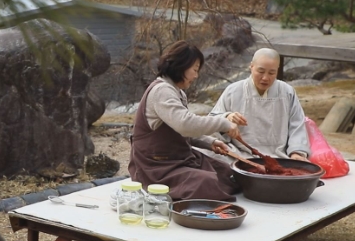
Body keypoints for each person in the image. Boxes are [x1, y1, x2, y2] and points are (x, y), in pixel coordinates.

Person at [128, 40, 242, 201]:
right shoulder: (162, 91)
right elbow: (185, 125)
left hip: (178, 159)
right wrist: (223, 122)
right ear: (180, 66)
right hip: (156, 167)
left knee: (226, 172)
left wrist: (209, 142)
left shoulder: (178, 92)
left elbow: (179, 131)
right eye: (194, 70)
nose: (196, 75)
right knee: (207, 182)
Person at [208, 47, 311, 161]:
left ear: (277, 70)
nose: (265, 78)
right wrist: (227, 117)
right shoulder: (233, 91)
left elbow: (297, 125)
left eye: (272, 73)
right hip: (240, 154)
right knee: (206, 150)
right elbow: (211, 123)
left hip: (279, 155)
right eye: (260, 71)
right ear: (251, 67)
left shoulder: (287, 92)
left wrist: (297, 152)